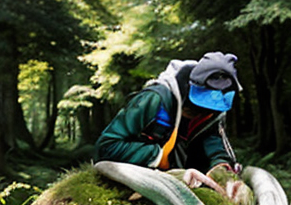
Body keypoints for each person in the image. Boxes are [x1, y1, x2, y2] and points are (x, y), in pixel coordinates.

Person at [93, 52, 241, 177]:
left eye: (207, 110)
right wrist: (158, 156)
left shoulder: (214, 112)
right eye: (195, 107)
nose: (198, 114)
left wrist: (221, 166)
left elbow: (214, 144)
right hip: (141, 176)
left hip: (189, 182)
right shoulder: (154, 99)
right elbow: (105, 148)